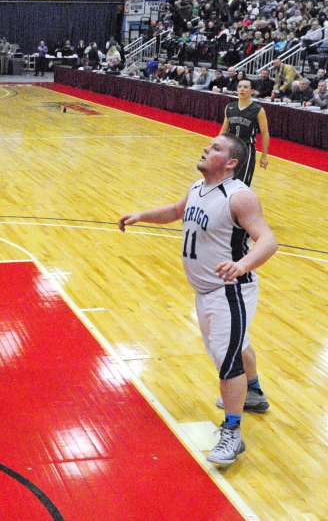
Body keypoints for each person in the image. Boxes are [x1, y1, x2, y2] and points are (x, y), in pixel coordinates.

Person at [119, 134, 278, 466]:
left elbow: (267, 240)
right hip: (206, 291)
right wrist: (141, 215)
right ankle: (254, 393)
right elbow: (177, 211)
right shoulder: (197, 187)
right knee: (235, 346)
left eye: (216, 148)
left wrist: (242, 264)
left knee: (227, 359)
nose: (207, 149)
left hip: (230, 290)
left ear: (231, 163)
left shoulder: (240, 197)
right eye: (209, 145)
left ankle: (232, 434)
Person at [220, 79, 269, 186]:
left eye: (245, 87)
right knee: (225, 181)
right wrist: (217, 146)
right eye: (240, 86)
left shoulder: (258, 110)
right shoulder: (230, 107)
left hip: (246, 150)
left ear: (252, 91)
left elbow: (265, 133)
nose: (242, 89)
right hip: (231, 148)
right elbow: (224, 130)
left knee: (241, 184)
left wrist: (264, 156)